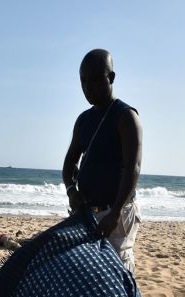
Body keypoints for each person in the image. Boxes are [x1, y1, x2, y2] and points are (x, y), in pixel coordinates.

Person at [62, 49, 143, 273]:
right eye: (83, 81)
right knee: (88, 273)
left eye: (95, 79)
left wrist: (115, 213)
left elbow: (132, 168)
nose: (88, 87)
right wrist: (71, 191)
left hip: (116, 214)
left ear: (111, 78)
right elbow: (69, 164)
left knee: (118, 271)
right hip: (87, 214)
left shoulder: (126, 116)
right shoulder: (83, 120)